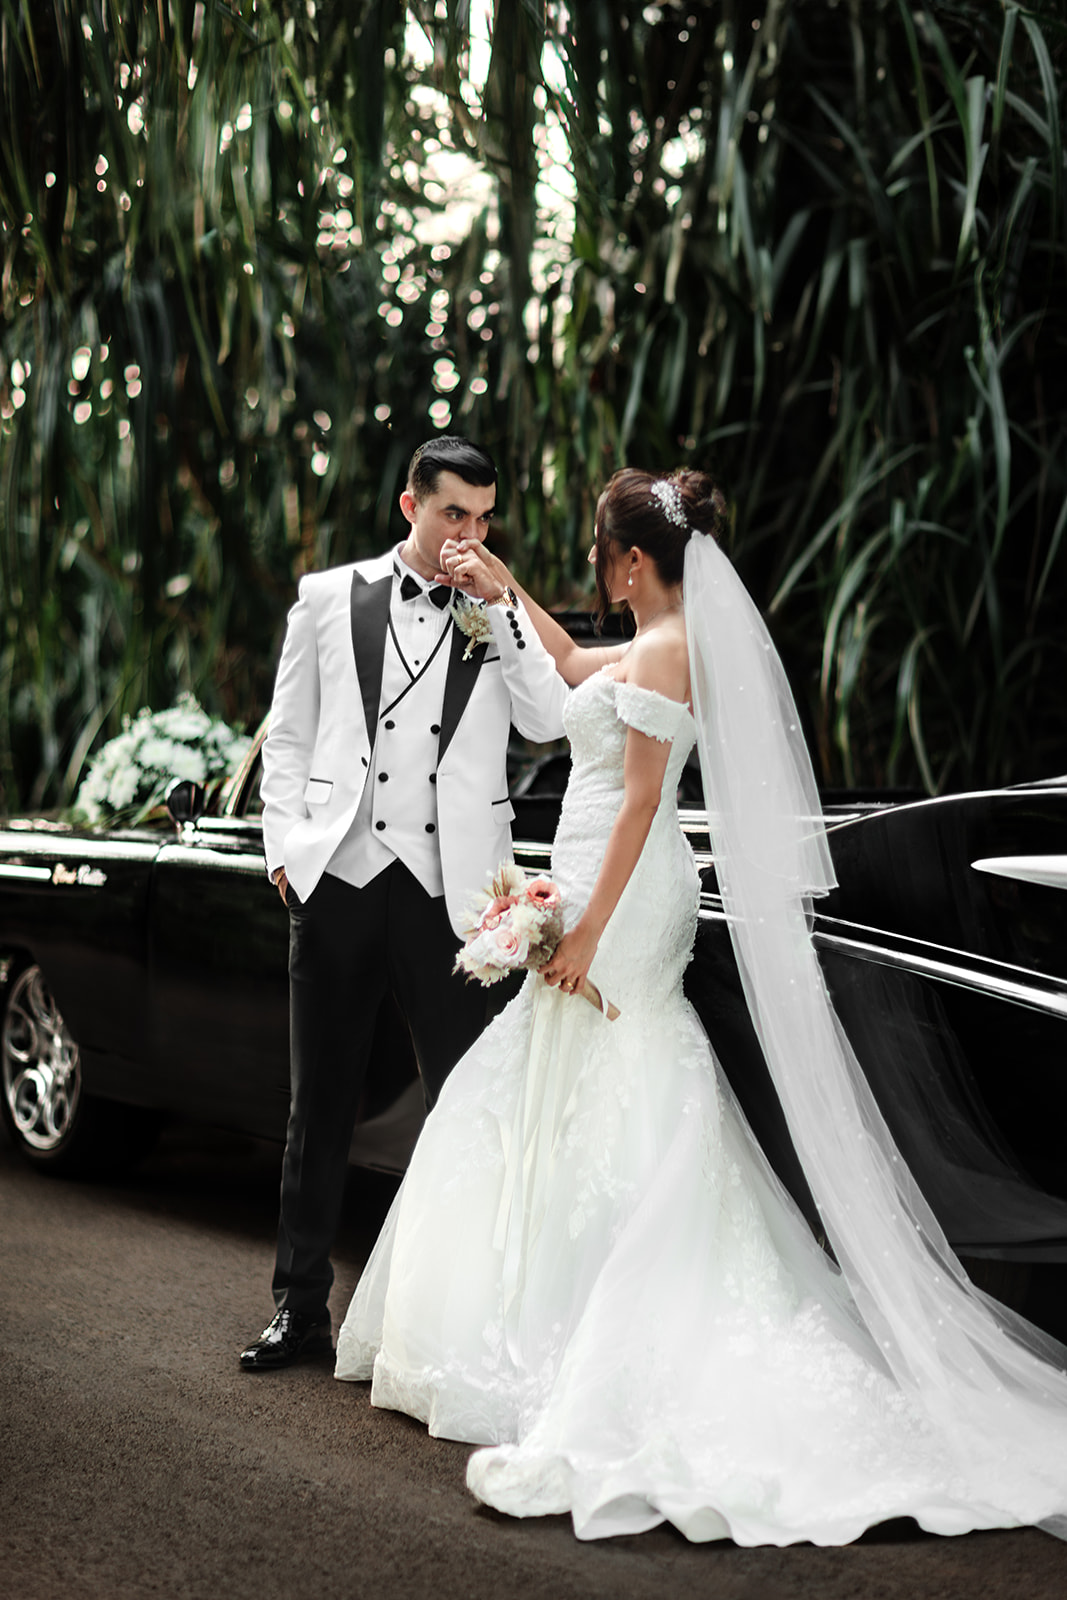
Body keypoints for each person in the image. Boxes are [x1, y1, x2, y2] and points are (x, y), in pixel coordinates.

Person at [334, 467, 1067, 1545]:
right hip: (591, 883)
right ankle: (535, 1322)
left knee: (623, 1075)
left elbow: (638, 797)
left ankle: (612, 1336)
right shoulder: (651, 638)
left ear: (631, 561)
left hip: (623, 900)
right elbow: (576, 665)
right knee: (557, 1077)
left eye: (597, 553)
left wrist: (585, 929)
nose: (596, 568)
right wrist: (503, 586)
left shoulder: (672, 648)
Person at [240, 436, 568, 1371]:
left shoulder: (494, 609)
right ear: (409, 506)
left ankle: (470, 1324)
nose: (468, 531)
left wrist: (500, 602)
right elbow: (289, 737)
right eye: (452, 513)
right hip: (337, 880)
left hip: (454, 895)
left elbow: (547, 724)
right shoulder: (325, 598)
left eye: (482, 516)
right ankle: (299, 1310)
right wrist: (284, 857)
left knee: (467, 1103)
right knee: (321, 1104)